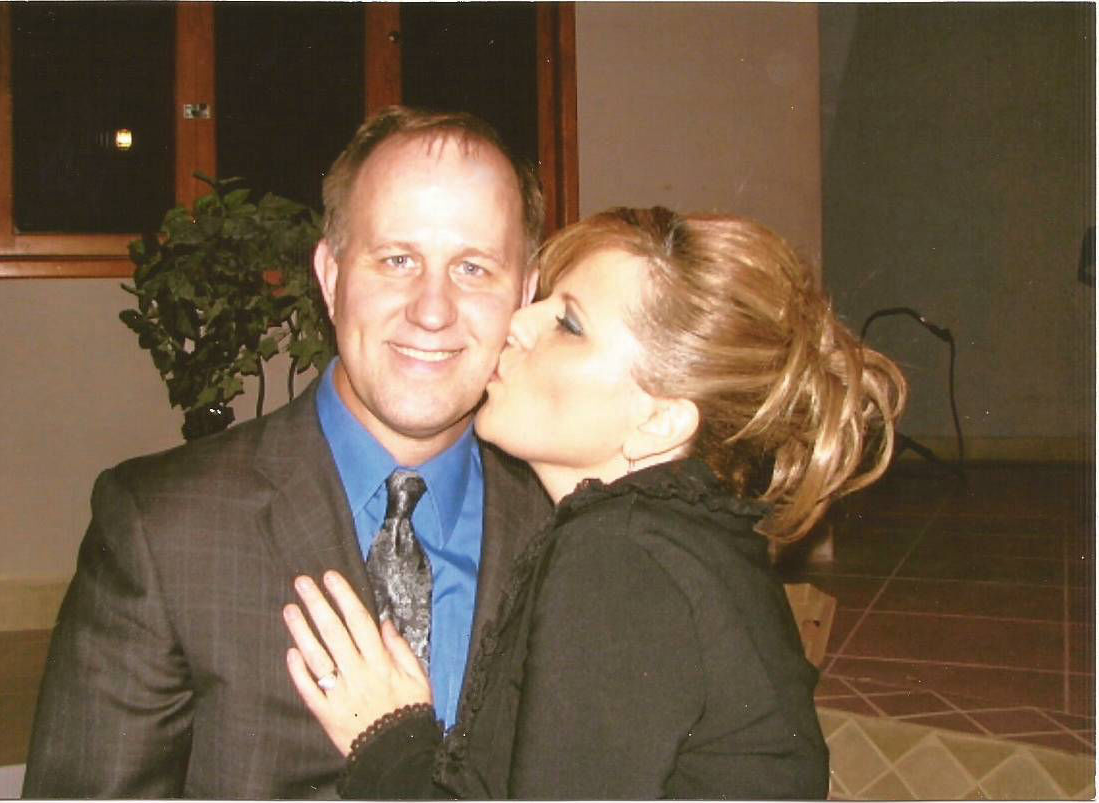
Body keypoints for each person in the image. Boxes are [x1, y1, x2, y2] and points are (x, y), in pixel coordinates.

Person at [283, 207, 908, 799]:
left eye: (570, 325)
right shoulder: (674, 539)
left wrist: (387, 741)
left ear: (659, 421)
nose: (518, 323)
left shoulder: (620, 558)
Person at [22, 106, 553, 798]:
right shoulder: (165, 530)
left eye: (474, 268)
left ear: (525, 293)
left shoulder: (564, 525)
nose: (432, 309)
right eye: (397, 260)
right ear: (330, 275)